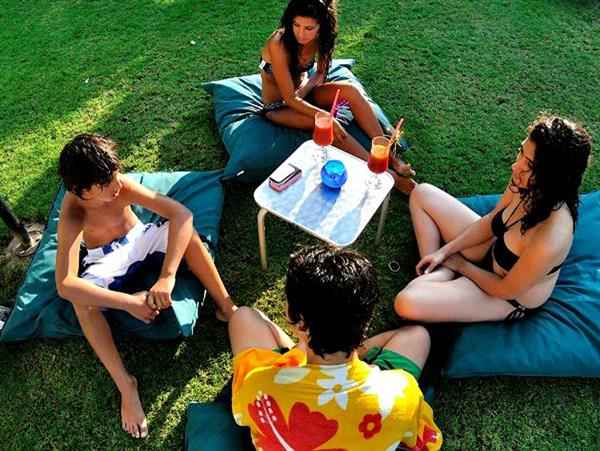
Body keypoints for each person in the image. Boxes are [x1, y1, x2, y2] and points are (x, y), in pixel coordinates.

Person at [55, 134, 237, 439]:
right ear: (80, 190)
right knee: (81, 302)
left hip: (140, 239)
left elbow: (181, 214)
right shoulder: (74, 213)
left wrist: (167, 277)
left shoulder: (120, 185)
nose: (115, 186)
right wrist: (129, 303)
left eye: (115, 175)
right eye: (104, 184)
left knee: (189, 235)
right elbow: (65, 284)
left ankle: (226, 306)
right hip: (106, 260)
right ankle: (126, 385)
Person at [229, 245, 442, 450]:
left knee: (243, 316)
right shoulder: (401, 392)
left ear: (299, 322)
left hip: (289, 379)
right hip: (371, 394)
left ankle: (310, 351)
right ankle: (331, 352)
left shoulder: (258, 385)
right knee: (417, 336)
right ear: (366, 320)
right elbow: (423, 440)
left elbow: (242, 417)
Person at [395, 115, 592, 322]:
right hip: (493, 249)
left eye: (529, 165)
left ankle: (439, 277)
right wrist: (445, 252)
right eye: (521, 152)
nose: (515, 166)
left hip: (506, 296)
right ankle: (438, 272)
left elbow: (505, 289)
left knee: (406, 302)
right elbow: (491, 221)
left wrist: (461, 266)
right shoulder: (524, 180)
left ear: (552, 177)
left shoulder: (551, 235)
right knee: (422, 193)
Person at [259, 0, 417, 194]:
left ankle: (390, 157)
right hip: (279, 106)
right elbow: (290, 99)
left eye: (309, 28)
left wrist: (305, 90)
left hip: (305, 92)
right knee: (325, 125)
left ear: (320, 26)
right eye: (296, 25)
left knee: (350, 91)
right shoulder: (279, 43)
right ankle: (389, 176)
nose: (301, 33)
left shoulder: (324, 37)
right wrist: (328, 117)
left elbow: (320, 73)